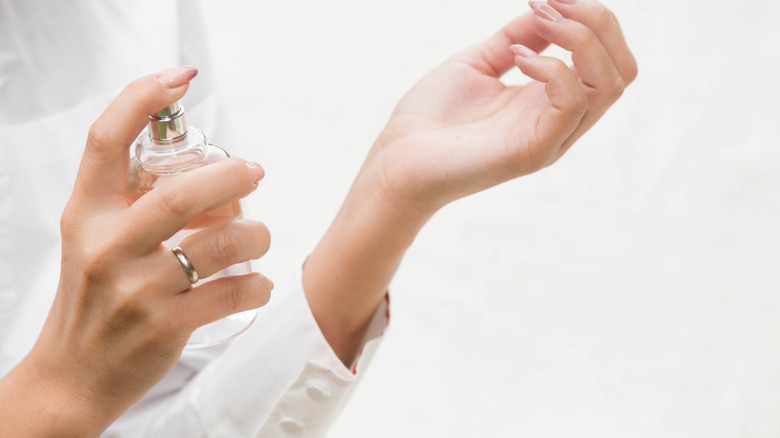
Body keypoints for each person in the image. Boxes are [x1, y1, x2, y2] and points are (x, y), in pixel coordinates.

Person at [0, 0, 636, 436]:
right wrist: (60, 387)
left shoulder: (130, 19)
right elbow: (82, 391)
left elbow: (168, 416)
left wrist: (392, 192)